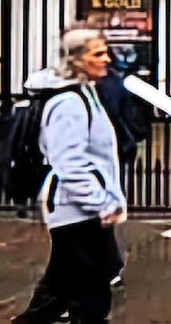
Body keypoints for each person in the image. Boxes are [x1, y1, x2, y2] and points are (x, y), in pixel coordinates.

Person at [12, 26, 127, 324]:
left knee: (74, 280)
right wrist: (101, 203)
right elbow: (69, 164)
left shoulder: (84, 93)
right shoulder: (69, 103)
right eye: (97, 53)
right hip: (74, 207)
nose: (107, 59)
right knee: (88, 280)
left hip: (82, 207)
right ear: (77, 59)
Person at [94, 54, 152, 290]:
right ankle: (108, 268)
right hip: (110, 153)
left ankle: (106, 268)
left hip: (101, 154)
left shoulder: (103, 85)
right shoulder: (114, 82)